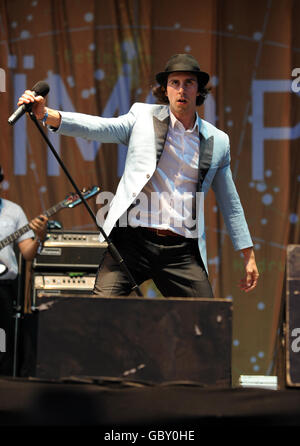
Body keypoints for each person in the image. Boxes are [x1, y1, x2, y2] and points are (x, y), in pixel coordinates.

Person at [18, 53, 259, 298]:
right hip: (132, 241)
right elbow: (100, 128)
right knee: (99, 312)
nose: (181, 90)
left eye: (189, 83)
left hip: (180, 250)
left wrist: (248, 255)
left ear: (198, 90)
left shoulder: (217, 141)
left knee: (204, 324)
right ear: (165, 90)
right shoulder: (142, 117)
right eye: (174, 83)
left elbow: (231, 203)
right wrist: (46, 114)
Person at [0, 165, 48, 375]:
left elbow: (28, 253)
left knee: (3, 339)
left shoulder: (13, 211)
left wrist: (40, 237)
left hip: (3, 286)